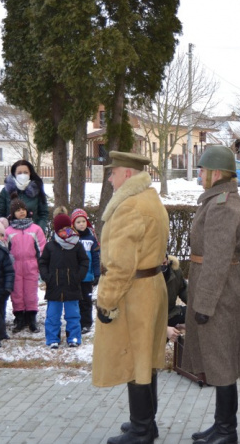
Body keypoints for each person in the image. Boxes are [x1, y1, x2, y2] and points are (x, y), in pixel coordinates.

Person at [184, 145, 240, 444]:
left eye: (202, 170)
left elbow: (217, 259)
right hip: (218, 288)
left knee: (222, 362)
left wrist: (204, 304)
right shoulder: (220, 201)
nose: (199, 174)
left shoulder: (221, 205)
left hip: (219, 293)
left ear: (216, 173)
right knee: (221, 362)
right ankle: (222, 424)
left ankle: (226, 430)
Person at [91, 151, 170, 444]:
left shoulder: (130, 206)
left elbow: (121, 264)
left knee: (136, 358)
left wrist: (106, 301)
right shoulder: (148, 198)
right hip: (148, 287)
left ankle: (142, 429)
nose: (109, 178)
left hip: (134, 293)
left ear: (126, 174)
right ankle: (145, 422)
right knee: (144, 358)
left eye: (112, 173)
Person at [39, 213, 88, 349]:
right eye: (61, 229)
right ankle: (52, 339)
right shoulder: (50, 246)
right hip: (54, 287)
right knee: (52, 316)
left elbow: (84, 261)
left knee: (73, 315)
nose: (65, 232)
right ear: (56, 230)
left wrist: (78, 276)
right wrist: (46, 276)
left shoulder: (77, 245)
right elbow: (43, 262)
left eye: (67, 228)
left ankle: (73, 337)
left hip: (72, 287)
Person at [6, 193, 46, 333]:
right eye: (17, 210)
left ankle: (31, 318)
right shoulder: (9, 231)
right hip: (15, 267)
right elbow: (5, 251)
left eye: (23, 209)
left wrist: (41, 265)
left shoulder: (35, 229)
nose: (21, 212)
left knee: (30, 292)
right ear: (13, 213)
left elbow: (41, 248)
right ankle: (19, 318)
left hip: (31, 265)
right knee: (17, 293)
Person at [0, 160, 49, 232]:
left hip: (32, 235)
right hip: (11, 236)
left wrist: (38, 231)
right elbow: (0, 215)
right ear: (14, 174)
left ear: (30, 173)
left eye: (25, 172)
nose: (23, 175)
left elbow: (43, 214)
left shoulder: (37, 190)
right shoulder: (6, 192)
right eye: (19, 173)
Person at [70, 208, 100, 335]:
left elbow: (96, 258)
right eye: (78, 222)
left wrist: (97, 273)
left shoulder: (91, 238)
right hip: (73, 276)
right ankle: (74, 321)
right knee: (74, 300)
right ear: (73, 224)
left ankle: (86, 323)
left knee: (86, 300)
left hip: (87, 277)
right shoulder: (70, 238)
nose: (81, 224)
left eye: (83, 221)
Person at [164, 254, 187, 343]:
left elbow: (183, 289)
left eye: (164, 262)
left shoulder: (174, 270)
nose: (163, 266)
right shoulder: (144, 277)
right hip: (150, 323)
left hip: (170, 313)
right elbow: (140, 316)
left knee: (194, 314)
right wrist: (164, 330)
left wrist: (196, 309)